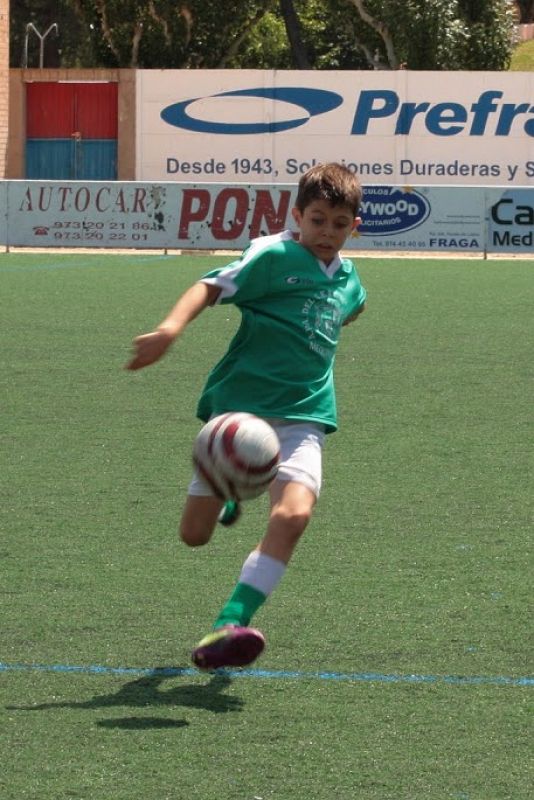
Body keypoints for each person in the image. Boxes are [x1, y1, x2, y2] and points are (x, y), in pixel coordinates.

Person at [127, 162, 367, 670]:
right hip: (239, 419)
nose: (326, 233)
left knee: (295, 515)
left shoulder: (348, 277)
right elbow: (210, 286)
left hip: (304, 417)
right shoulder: (273, 255)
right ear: (297, 215)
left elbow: (352, 304)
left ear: (354, 227)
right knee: (195, 536)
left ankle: (229, 623)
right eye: (318, 220)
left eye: (339, 223)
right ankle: (234, 483)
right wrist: (170, 330)